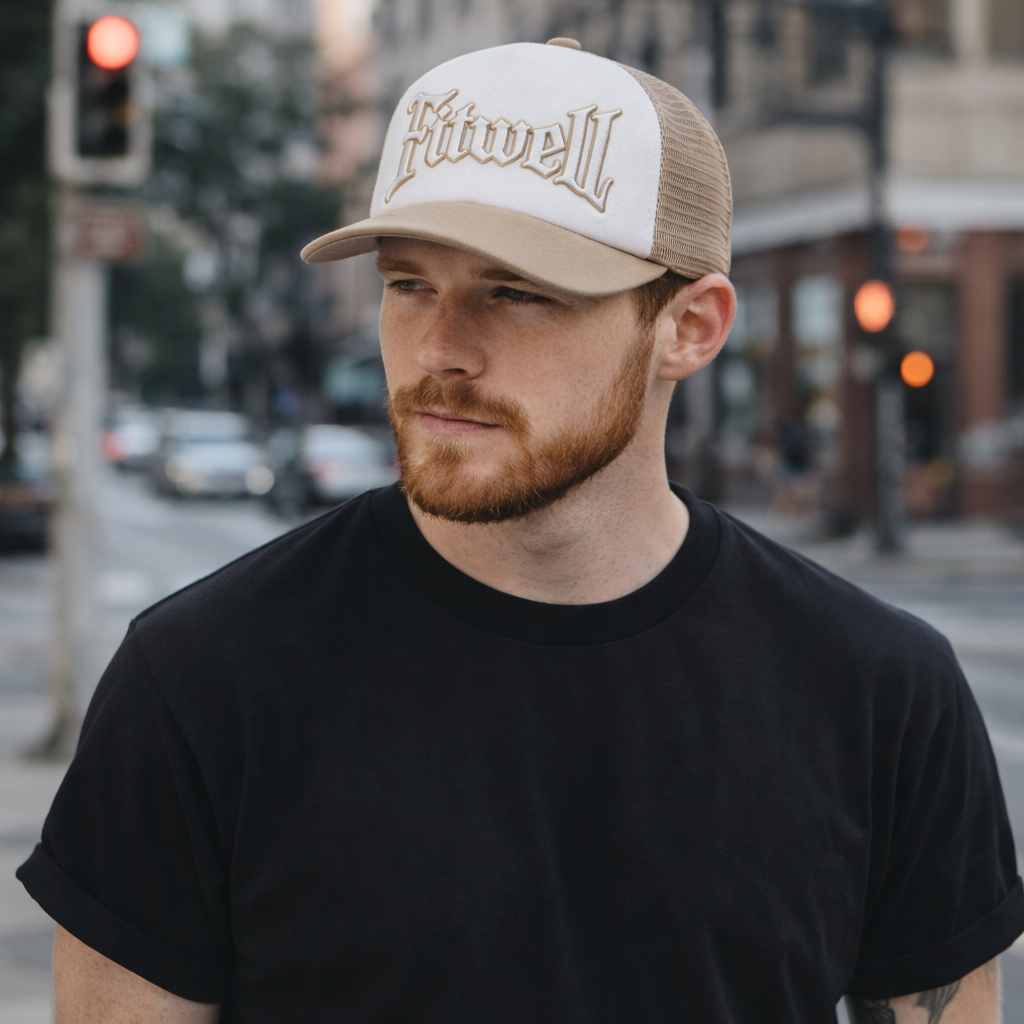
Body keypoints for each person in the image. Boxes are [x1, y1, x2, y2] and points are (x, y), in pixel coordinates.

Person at [19, 39, 1022, 1024]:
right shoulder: (204, 677)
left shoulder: (881, 691)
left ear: (690, 326)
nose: (440, 347)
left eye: (517, 291)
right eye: (408, 281)